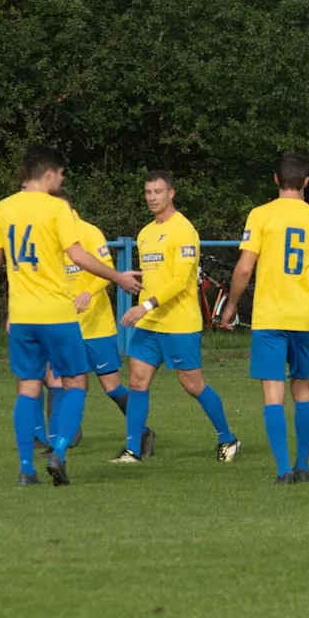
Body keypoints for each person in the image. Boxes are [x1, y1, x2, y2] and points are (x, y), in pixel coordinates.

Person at [0, 147, 141, 486]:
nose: (62, 180)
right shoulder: (56, 208)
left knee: (27, 387)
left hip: (22, 316)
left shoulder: (3, 208)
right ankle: (59, 451)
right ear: (50, 173)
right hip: (56, 313)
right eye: (62, 174)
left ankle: (26, 470)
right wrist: (118, 277)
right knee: (76, 381)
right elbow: (79, 256)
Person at [221, 153, 309, 484]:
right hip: (303, 317)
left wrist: (230, 306)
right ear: (305, 182)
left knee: (273, 392)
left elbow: (245, 267)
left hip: (270, 317)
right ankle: (303, 467)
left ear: (276, 180)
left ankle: (283, 470)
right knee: (303, 388)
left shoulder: (261, 216)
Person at [115, 170, 239, 464]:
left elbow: (180, 280)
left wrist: (143, 306)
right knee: (136, 381)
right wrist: (139, 277)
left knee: (192, 384)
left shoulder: (184, 230)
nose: (152, 197)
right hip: (150, 323)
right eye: (147, 192)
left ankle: (228, 439)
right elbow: (161, 273)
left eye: (157, 192)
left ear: (171, 193)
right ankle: (133, 450)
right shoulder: (145, 234)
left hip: (178, 323)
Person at [38, 188, 154, 458]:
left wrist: (88, 292)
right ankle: (62, 440)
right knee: (60, 381)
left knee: (112, 387)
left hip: (96, 327)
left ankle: (143, 432)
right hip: (65, 327)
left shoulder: (89, 232)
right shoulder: (50, 237)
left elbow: (107, 270)